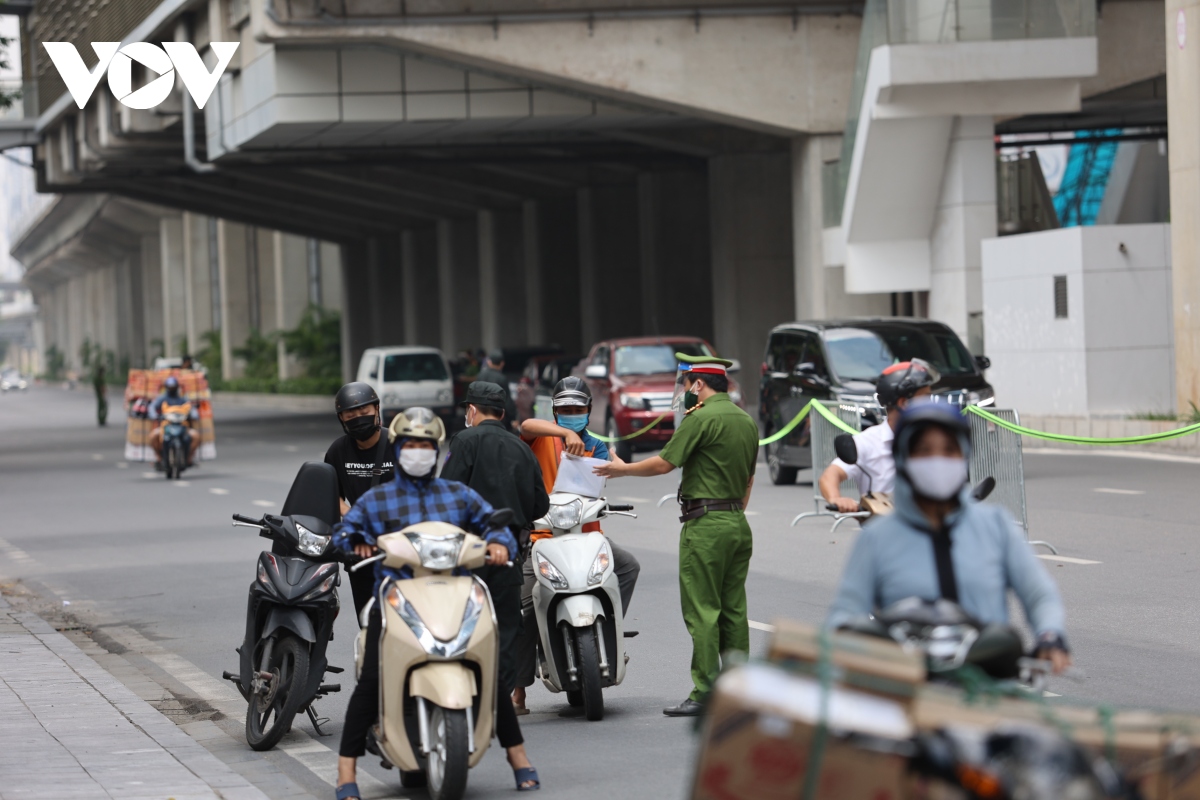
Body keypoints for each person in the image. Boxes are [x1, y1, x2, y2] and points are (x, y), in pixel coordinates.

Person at [332, 409, 533, 800]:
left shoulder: (456, 495)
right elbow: (347, 529)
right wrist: (355, 542)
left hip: (453, 597)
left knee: (485, 668)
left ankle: (518, 756)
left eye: (426, 445)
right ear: (399, 448)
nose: (418, 452)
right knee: (372, 679)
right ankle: (346, 770)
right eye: (411, 444)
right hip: (397, 598)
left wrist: (498, 544)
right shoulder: (379, 498)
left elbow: (494, 523)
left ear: (436, 450)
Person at [825, 401, 1072, 674]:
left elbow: (1039, 594)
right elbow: (845, 613)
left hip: (988, 686)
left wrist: (1050, 636)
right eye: (924, 451)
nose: (937, 460)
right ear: (903, 458)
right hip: (906, 688)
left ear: (964, 456)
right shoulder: (876, 538)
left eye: (949, 450)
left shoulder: (995, 525)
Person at [593, 354, 757, 717]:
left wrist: (622, 470)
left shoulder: (700, 417)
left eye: (685, 384)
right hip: (736, 523)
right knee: (733, 611)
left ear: (698, 384)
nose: (683, 391)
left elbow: (664, 463)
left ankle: (704, 692)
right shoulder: (745, 420)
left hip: (706, 525)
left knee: (703, 612)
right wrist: (732, 512)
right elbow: (748, 479)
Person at [513, 376, 642, 714]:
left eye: (577, 409)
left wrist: (619, 469)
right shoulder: (540, 438)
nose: (572, 413)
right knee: (524, 608)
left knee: (627, 566)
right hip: (542, 539)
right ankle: (518, 690)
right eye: (565, 409)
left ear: (589, 410)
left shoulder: (597, 447)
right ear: (555, 412)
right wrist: (564, 432)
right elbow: (525, 423)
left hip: (586, 537)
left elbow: (602, 483)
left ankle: (607, 625)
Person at [441, 382, 548, 789]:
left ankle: (459, 701)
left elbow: (447, 494)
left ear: (472, 410)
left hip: (467, 553)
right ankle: (499, 700)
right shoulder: (521, 446)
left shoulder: (465, 440)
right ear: (501, 412)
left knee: (459, 624)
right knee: (504, 627)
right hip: (509, 554)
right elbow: (540, 506)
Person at [819, 359, 937, 513]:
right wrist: (837, 499)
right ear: (903, 403)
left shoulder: (935, 441)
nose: (932, 403)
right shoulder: (868, 442)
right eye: (926, 397)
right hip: (883, 529)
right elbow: (830, 475)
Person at [323, 381, 394, 617]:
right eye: (350, 415)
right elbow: (330, 493)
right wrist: (349, 513)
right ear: (341, 419)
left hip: (397, 543)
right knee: (367, 618)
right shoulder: (337, 451)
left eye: (364, 412)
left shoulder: (398, 445)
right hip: (360, 548)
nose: (358, 418)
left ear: (376, 410)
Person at [148, 376, 199, 467]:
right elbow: (152, 407)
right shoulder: (162, 398)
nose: (172, 389)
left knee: (196, 436)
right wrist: (154, 415)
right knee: (153, 436)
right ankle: (159, 457)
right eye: (170, 387)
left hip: (182, 426)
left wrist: (194, 414)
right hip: (166, 426)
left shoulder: (182, 399)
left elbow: (191, 408)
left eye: (173, 387)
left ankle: (188, 458)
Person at [477, 349, 518, 430]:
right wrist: (513, 418)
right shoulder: (502, 378)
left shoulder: (480, 376)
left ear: (489, 362)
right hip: (498, 418)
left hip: (482, 416)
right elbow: (507, 401)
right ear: (502, 364)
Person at [92, 359, 107, 427]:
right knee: (103, 407)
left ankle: (100, 420)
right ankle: (102, 420)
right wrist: (104, 394)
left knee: (99, 408)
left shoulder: (95, 378)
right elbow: (102, 387)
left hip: (97, 394)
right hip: (101, 395)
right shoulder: (100, 378)